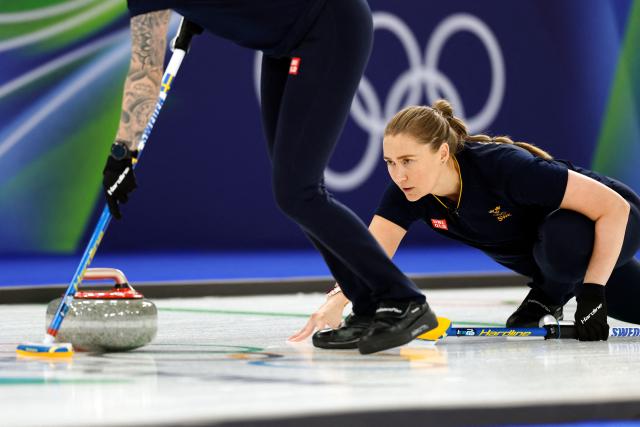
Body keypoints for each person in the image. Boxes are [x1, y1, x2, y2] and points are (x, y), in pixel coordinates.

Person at [101, 1, 439, 355]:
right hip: (284, 42)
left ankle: (403, 299)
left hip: (328, 22)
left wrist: (123, 152)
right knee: (291, 192)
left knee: (298, 189)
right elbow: (145, 67)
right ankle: (369, 302)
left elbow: (146, 72)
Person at [291, 100, 640, 343]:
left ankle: (551, 293)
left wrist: (593, 293)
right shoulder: (409, 190)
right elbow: (369, 255)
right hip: (560, 258)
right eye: (390, 162)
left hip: (612, 221)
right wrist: (336, 301)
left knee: (564, 246)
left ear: (442, 153)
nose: (398, 174)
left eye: (408, 160)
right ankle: (555, 288)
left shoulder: (504, 167)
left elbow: (613, 208)